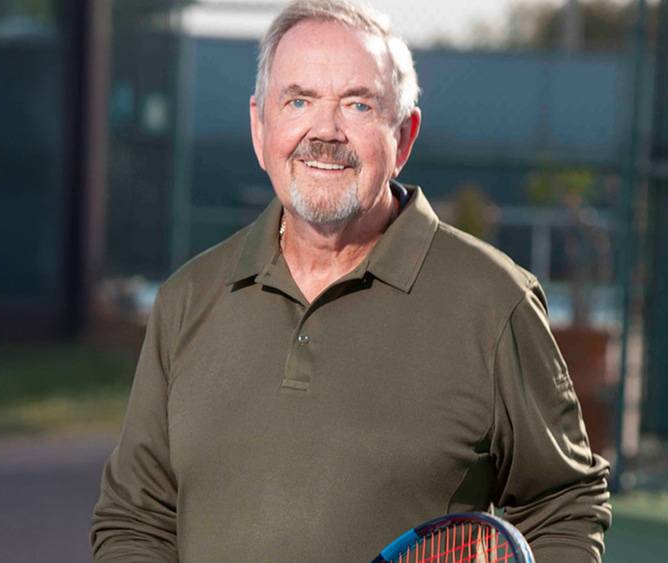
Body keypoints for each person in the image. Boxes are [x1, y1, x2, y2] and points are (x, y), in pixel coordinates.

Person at [90, 0, 612, 561]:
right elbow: (135, 519)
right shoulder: (186, 299)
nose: (325, 131)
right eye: (298, 100)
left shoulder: (493, 301)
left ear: (404, 137)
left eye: (358, 105)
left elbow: (566, 505)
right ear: (259, 126)